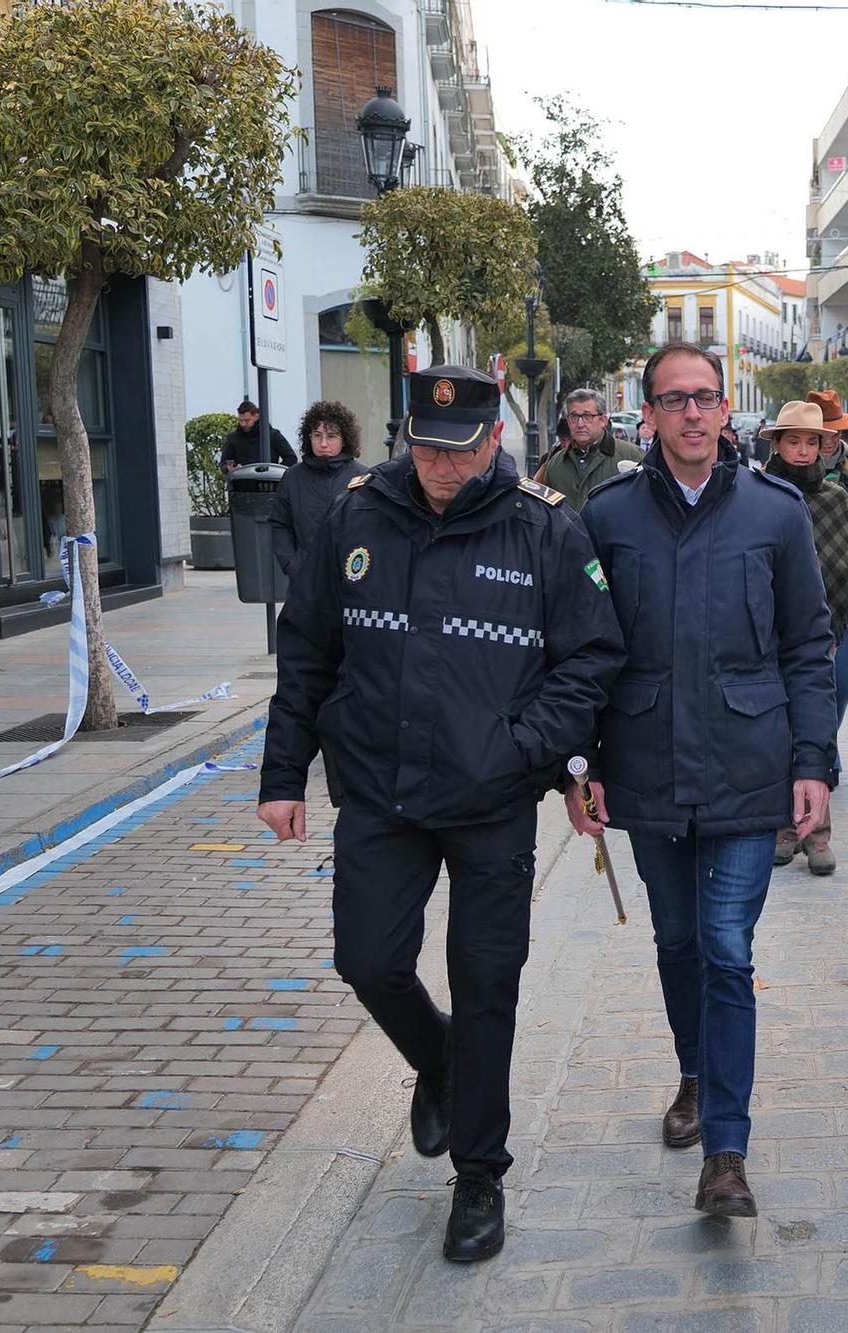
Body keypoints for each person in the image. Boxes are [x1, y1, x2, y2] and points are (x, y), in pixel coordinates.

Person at [258, 365, 624, 1265]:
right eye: (424, 446)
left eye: (458, 452)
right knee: (368, 959)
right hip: (379, 790)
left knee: (488, 980)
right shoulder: (356, 514)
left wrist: (522, 747)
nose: (439, 466)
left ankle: (480, 1173)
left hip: (490, 797)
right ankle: (441, 1060)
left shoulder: (544, 527)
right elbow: (306, 647)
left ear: (495, 441)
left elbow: (591, 660)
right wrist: (282, 772)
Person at [570, 342, 836, 1220]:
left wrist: (813, 764)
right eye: (673, 399)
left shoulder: (776, 513)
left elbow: (807, 646)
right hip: (646, 770)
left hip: (747, 770)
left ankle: (726, 1148)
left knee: (727, 949)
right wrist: (584, 768)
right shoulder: (606, 516)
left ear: (727, 411)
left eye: (706, 398)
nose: (691, 413)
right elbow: (582, 653)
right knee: (678, 942)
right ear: (644, 414)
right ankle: (693, 1067)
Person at [759, 400, 848, 876]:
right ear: (779, 445)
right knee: (782, 727)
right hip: (770, 631)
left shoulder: (835, 498)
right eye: (793, 441)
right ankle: (789, 828)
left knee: (821, 718)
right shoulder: (759, 495)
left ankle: (815, 830)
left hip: (827, 628)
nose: (803, 451)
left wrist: (840, 618)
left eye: (811, 442)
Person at [270, 400, 368, 577]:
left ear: (344, 439)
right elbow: (280, 523)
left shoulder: (363, 477)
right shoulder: (293, 477)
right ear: (309, 437)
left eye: (331, 436)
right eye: (317, 435)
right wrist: (291, 564)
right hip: (304, 580)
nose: (323, 444)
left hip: (351, 581)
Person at [539, 388, 643, 511]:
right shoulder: (555, 464)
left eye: (587, 416)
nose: (580, 424)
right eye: (574, 416)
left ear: (603, 420)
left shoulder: (631, 456)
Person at [222, 398, 297, 471]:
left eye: (247, 420)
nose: (243, 424)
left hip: (269, 480)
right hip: (242, 481)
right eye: (241, 421)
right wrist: (230, 468)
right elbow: (224, 462)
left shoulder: (273, 435)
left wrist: (275, 472)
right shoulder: (233, 438)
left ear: (256, 416)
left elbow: (291, 458)